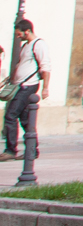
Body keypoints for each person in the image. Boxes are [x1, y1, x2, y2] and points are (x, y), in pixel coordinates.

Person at [2, 19, 48, 160]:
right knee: (25, 119)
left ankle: (10, 150)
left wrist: (45, 88)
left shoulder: (38, 44)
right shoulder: (26, 46)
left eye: (19, 34)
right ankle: (32, 151)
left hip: (27, 86)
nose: (18, 37)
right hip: (20, 86)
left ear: (27, 31)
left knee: (10, 116)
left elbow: (46, 67)